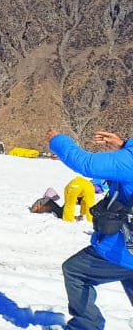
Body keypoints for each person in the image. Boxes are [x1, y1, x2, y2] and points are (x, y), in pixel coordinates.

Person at [50, 130, 133, 330]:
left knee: (75, 272)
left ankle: (86, 325)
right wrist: (123, 146)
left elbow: (86, 164)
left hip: (124, 250)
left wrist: (57, 140)